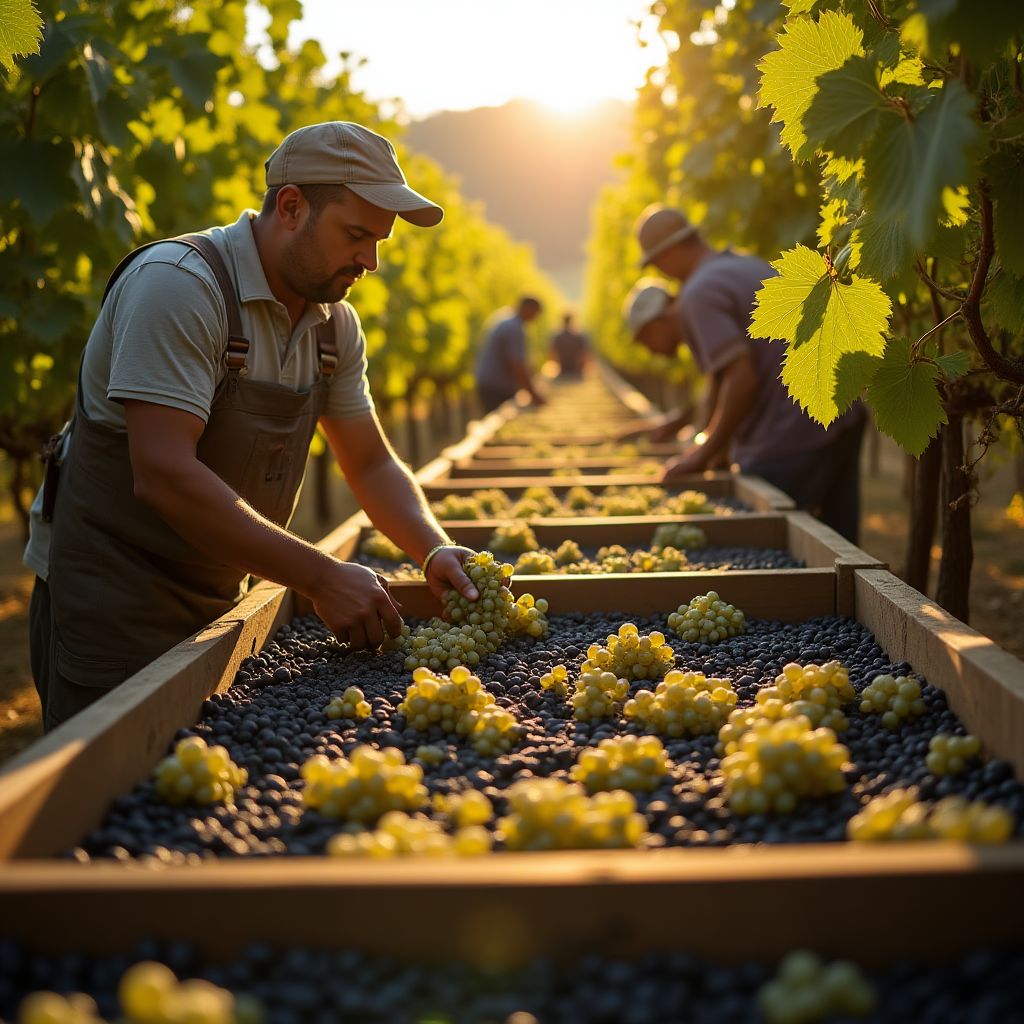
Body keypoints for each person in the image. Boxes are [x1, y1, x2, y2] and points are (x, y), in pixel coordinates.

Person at [25, 121, 483, 731]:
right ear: (290, 207)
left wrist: (432, 548)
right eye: (356, 235)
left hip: (224, 600)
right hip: (112, 604)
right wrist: (320, 576)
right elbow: (162, 472)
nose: (370, 262)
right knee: (112, 781)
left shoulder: (333, 326)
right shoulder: (179, 286)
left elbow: (371, 462)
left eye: (379, 242)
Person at [626, 205, 866, 543]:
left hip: (791, 431)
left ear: (668, 253)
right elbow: (723, 381)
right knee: (840, 546)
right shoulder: (742, 265)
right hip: (841, 412)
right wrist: (711, 442)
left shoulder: (698, 293)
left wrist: (702, 454)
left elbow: (741, 381)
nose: (660, 271)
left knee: (763, 543)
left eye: (655, 263)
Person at [474, 296, 547, 413]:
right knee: (500, 415)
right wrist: (534, 395)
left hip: (489, 383)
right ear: (528, 309)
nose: (535, 318)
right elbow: (516, 364)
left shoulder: (507, 320)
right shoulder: (515, 328)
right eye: (536, 313)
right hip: (496, 387)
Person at [549, 311, 590, 379]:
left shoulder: (558, 337)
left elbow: (552, 353)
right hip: (576, 369)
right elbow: (584, 353)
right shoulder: (578, 336)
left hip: (563, 368)